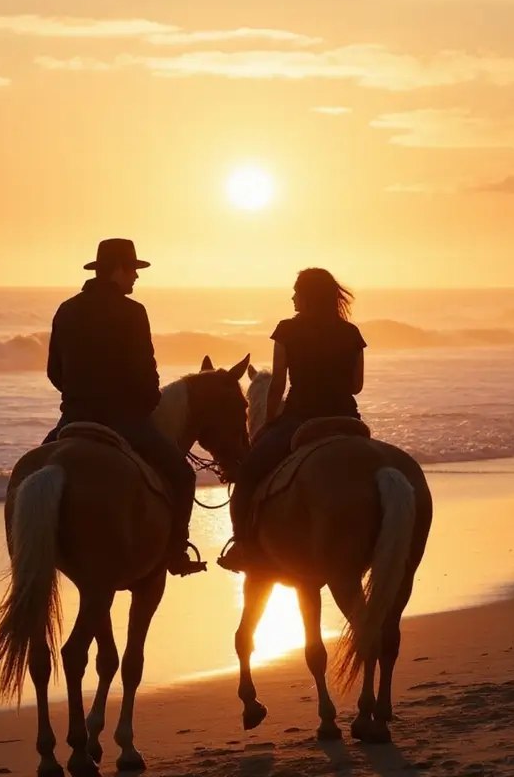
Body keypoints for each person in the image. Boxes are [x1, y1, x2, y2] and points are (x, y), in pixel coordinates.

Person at [43, 238, 204, 577]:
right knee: (183, 474)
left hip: (73, 418)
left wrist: (78, 398)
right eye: (133, 270)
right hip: (125, 420)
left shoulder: (67, 309)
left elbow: (54, 373)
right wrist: (147, 404)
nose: (136, 277)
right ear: (117, 270)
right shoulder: (133, 312)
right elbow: (146, 373)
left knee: (34, 473)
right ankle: (176, 552)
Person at [218, 267, 367, 573]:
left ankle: (243, 546)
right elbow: (356, 386)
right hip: (346, 419)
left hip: (301, 418)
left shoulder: (287, 329)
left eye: (297, 291)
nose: (293, 297)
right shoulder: (351, 333)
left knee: (247, 474)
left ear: (308, 295)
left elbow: (277, 387)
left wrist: (271, 421)